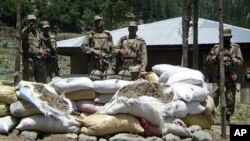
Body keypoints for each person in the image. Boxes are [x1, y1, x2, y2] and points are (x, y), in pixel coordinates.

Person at [206, 28, 243, 124]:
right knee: (213, 97)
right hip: (218, 77)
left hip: (231, 77)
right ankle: (211, 117)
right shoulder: (216, 48)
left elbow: (240, 62)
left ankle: (226, 118)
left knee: (230, 99)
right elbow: (208, 61)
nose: (225, 39)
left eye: (227, 38)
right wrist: (216, 57)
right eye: (223, 38)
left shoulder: (235, 48)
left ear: (230, 38)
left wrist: (231, 58)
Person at [81, 15, 115, 80]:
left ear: (103, 22)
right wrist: (93, 50)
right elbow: (83, 47)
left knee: (109, 81)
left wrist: (113, 64)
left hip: (107, 64)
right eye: (96, 21)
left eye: (99, 21)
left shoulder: (108, 35)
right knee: (94, 81)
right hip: (94, 64)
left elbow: (112, 50)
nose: (98, 22)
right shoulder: (90, 35)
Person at [21, 14, 46, 83]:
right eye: (30, 21)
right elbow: (23, 35)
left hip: (38, 59)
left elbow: (40, 45)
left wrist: (42, 52)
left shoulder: (37, 33)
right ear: (27, 22)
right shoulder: (25, 31)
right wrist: (28, 29)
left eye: (34, 21)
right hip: (28, 59)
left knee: (41, 81)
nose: (32, 23)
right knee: (27, 80)